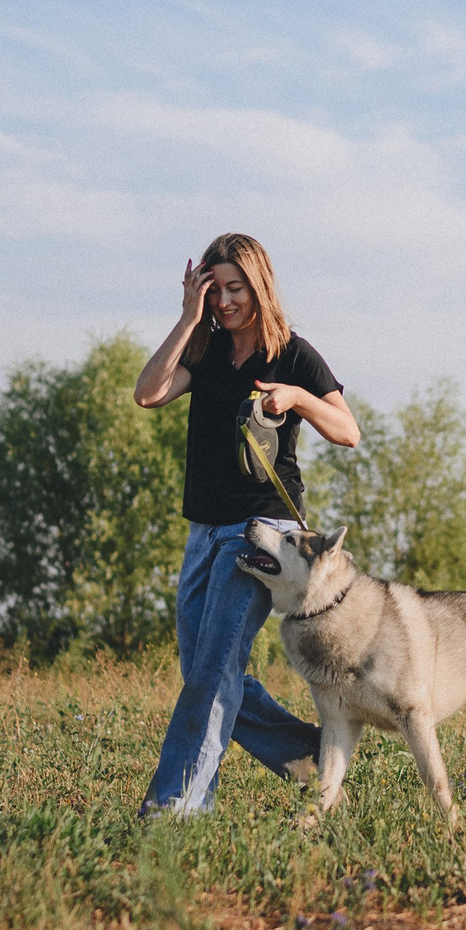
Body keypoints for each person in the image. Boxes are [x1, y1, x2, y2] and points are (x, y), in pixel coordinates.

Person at [132, 232, 360, 815]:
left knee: (212, 667)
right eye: (215, 290)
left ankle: (177, 805)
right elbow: (149, 392)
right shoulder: (204, 353)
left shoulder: (294, 353)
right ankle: (313, 756)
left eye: (236, 288)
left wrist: (297, 398)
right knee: (203, 666)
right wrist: (187, 319)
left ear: (260, 286)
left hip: (263, 531)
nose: (226, 301)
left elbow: (347, 430)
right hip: (204, 531)